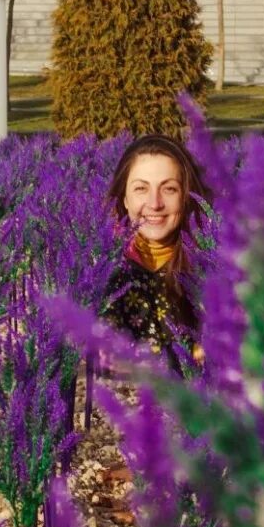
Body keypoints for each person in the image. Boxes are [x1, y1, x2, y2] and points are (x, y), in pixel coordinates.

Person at [103, 135, 208, 369]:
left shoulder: (212, 269)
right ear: (125, 199)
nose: (155, 203)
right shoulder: (103, 271)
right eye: (141, 188)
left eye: (169, 189)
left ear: (186, 197)